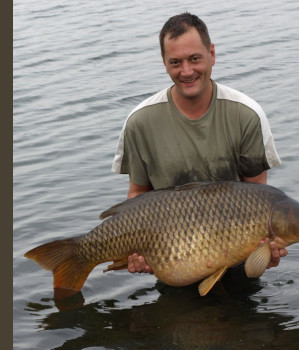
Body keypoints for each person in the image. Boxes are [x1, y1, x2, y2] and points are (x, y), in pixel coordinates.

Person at [111, 12, 288, 284]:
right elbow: (137, 195)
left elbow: (259, 197)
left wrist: (266, 252)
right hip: (171, 258)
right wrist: (134, 253)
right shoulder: (140, 122)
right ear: (164, 63)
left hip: (236, 263)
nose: (186, 71)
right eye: (176, 62)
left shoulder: (246, 115)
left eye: (195, 58)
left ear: (212, 54)